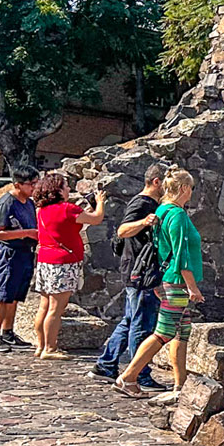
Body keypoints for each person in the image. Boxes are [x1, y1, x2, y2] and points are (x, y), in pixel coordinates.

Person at [115, 169, 202, 400]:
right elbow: (181, 255)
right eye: (190, 188)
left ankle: (180, 385)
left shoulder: (162, 210)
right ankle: (129, 377)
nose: (192, 192)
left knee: (181, 333)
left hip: (167, 279)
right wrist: (192, 286)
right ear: (184, 188)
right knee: (163, 333)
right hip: (176, 282)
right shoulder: (178, 215)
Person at [89, 164, 167, 390]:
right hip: (140, 271)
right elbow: (122, 230)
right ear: (156, 182)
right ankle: (139, 374)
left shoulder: (148, 203)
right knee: (141, 324)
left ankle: (106, 364)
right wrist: (144, 222)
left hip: (135, 270)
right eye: (166, 182)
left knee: (130, 320)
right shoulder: (142, 203)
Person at [31, 173, 107, 359]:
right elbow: (96, 218)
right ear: (56, 190)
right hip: (63, 263)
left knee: (44, 306)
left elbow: (76, 220)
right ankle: (50, 348)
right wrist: (100, 201)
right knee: (56, 309)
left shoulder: (41, 210)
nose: (68, 189)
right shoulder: (67, 208)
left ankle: (40, 346)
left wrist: (89, 208)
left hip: (45, 260)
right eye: (65, 186)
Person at [0, 165, 41, 352]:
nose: (34, 187)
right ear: (18, 184)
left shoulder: (29, 203)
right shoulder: (6, 203)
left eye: (36, 183)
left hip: (25, 253)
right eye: (31, 184)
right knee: (4, 294)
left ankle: (8, 332)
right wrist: (26, 233)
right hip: (9, 253)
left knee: (15, 296)